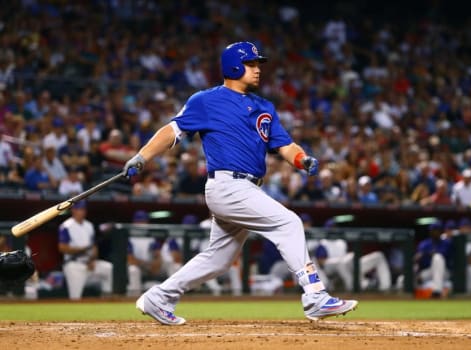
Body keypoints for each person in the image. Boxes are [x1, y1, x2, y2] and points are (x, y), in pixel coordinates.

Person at [123, 41, 358, 325]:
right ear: (234, 66)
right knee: (289, 223)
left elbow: (284, 145)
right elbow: (172, 130)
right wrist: (142, 156)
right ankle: (315, 295)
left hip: (246, 188)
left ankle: (159, 297)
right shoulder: (206, 100)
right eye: (252, 64)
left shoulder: (264, 106)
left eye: (258, 64)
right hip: (227, 185)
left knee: (219, 259)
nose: (258, 69)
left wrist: (301, 159)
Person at [58, 200, 113, 300]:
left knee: (109, 268)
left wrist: (92, 260)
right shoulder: (66, 226)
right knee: (75, 298)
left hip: (89, 263)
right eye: (79, 209)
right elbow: (62, 248)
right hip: (74, 264)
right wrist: (82, 250)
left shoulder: (89, 225)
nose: (82, 212)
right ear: (73, 210)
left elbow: (94, 247)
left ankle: (107, 300)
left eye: (83, 209)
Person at [127, 210, 182, 296]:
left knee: (171, 263)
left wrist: (155, 264)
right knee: (133, 269)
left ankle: (174, 293)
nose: (142, 224)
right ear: (134, 222)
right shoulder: (129, 238)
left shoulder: (151, 238)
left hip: (150, 266)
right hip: (136, 266)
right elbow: (130, 259)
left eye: (144, 221)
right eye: (139, 221)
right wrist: (145, 265)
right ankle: (134, 296)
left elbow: (157, 255)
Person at [414, 221, 453, 298]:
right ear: (430, 231)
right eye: (433, 230)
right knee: (402, 280)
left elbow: (442, 255)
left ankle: (437, 292)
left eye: (437, 230)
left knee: (437, 258)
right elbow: (417, 259)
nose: (435, 232)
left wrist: (426, 254)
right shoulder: (424, 244)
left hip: (444, 272)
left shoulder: (446, 243)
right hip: (428, 272)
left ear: (441, 231)